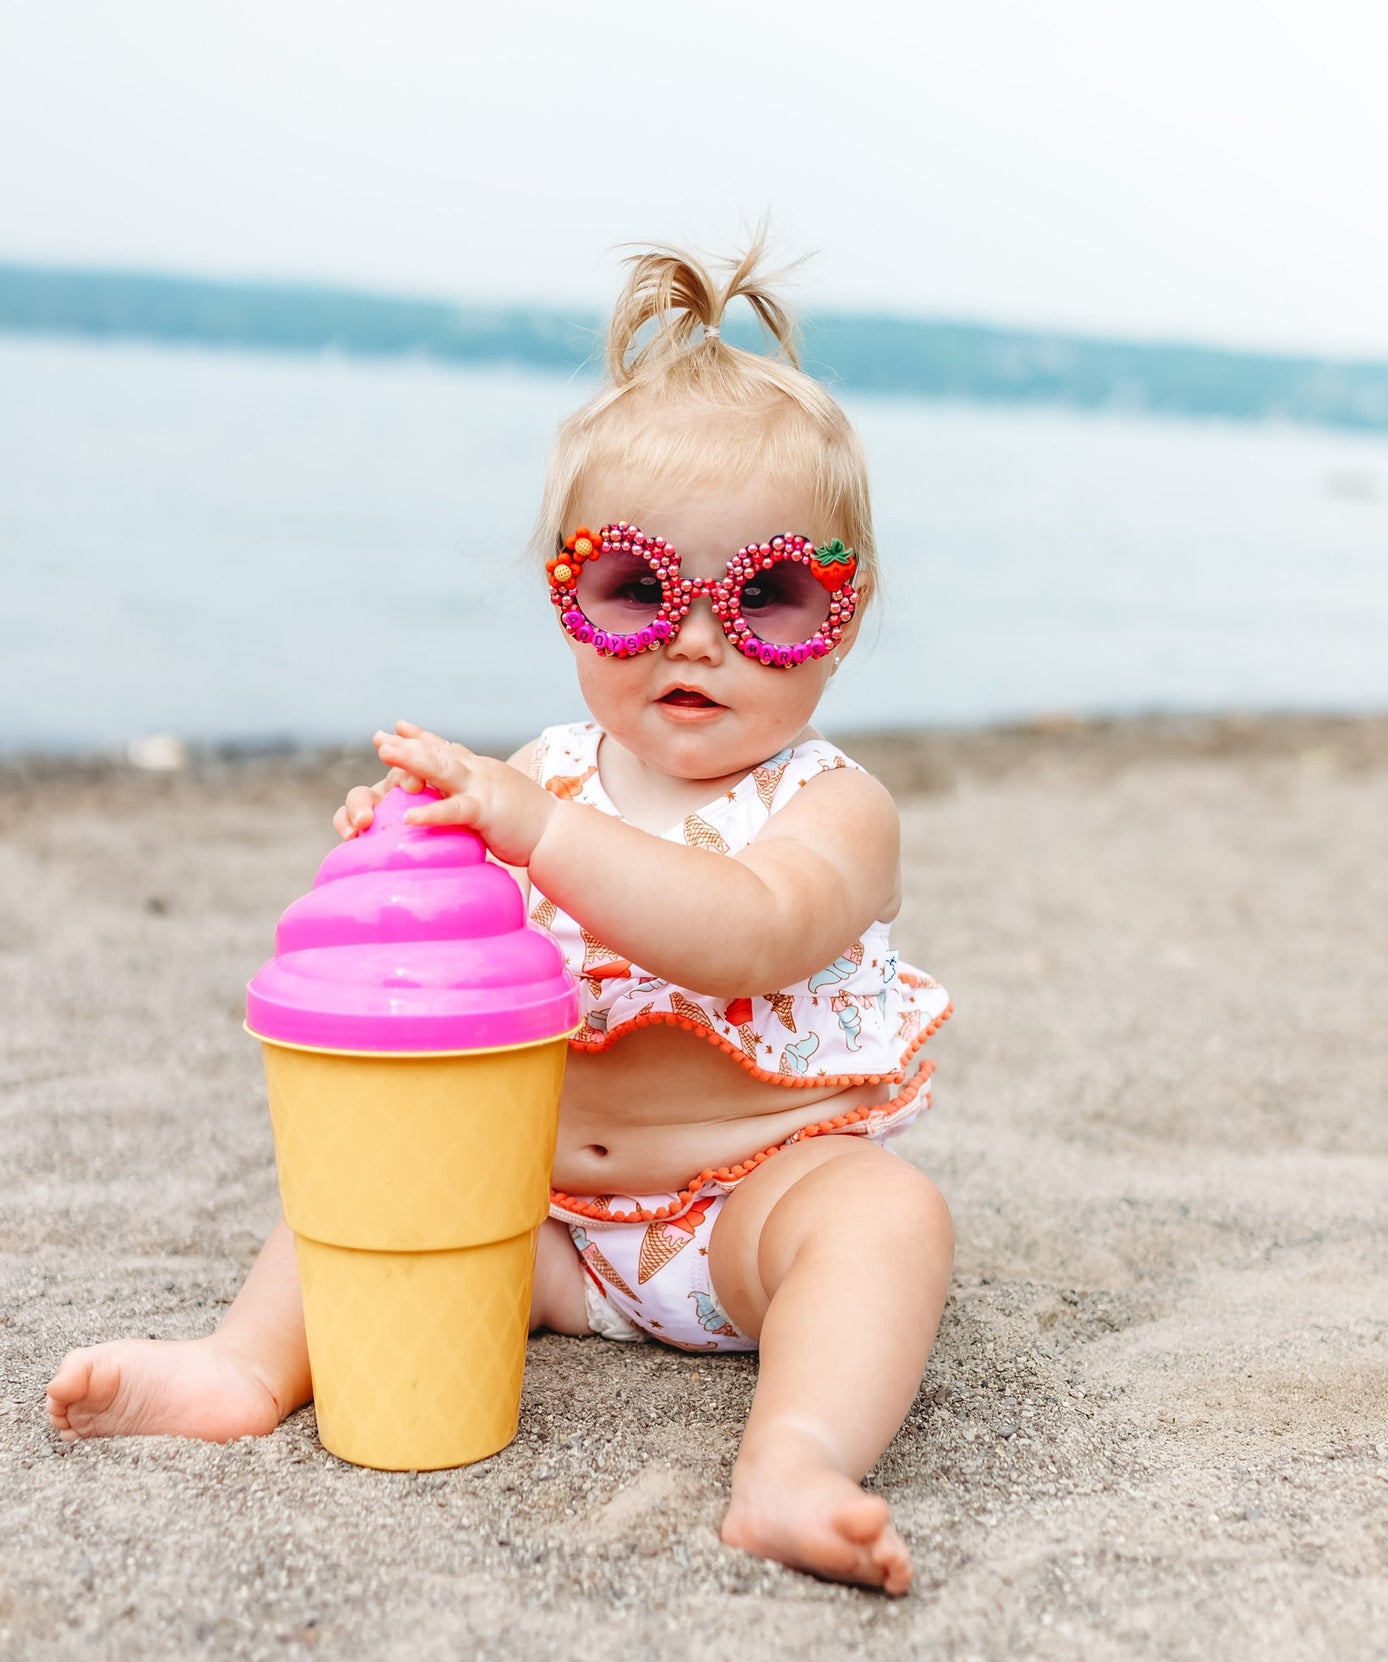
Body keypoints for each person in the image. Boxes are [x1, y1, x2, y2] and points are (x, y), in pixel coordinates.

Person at [46, 239, 955, 1596]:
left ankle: (797, 1455)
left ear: (843, 609)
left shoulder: (833, 808)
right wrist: (404, 858)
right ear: (565, 594)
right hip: (542, 1222)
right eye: (636, 586)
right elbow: (445, 966)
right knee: (368, 1185)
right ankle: (246, 1363)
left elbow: (743, 930)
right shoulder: (545, 776)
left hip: (744, 1223)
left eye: (764, 593)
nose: (693, 634)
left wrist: (529, 831)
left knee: (885, 1219)